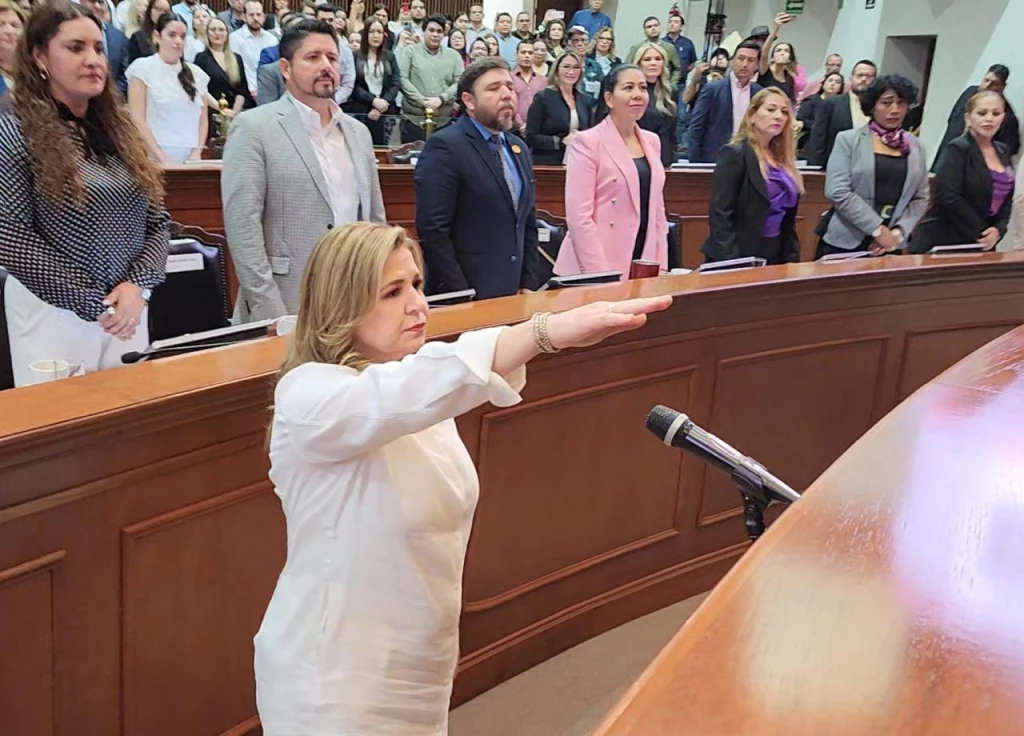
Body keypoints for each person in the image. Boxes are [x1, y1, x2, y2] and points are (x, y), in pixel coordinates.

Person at [255, 218, 672, 736]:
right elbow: (401, 394)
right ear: (342, 305)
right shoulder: (309, 395)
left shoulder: (416, 388)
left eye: (417, 285)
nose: (417, 305)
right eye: (392, 291)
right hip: (334, 679)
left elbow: (426, 394)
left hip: (417, 665)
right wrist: (542, 333)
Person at [0, 0, 169, 385]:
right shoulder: (12, 129)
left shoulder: (120, 128)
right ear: (40, 57)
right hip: (53, 313)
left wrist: (138, 287)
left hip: (127, 308)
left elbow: (158, 222)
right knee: (63, 435)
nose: (93, 59)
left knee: (130, 426)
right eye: (75, 48)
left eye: (97, 48)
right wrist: (93, 302)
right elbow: (10, 236)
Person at [222, 19, 385, 322]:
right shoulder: (254, 127)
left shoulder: (359, 133)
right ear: (285, 68)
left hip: (354, 297)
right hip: (286, 300)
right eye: (313, 57)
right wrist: (268, 309)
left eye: (332, 58)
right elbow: (243, 227)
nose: (326, 66)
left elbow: (375, 220)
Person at [414, 57, 544, 298]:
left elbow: (527, 221)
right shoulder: (446, 146)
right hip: (467, 294)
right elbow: (433, 231)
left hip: (514, 292)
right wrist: (462, 294)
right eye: (494, 88)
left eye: (509, 87)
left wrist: (529, 282)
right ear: (469, 101)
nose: (507, 94)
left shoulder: (518, 147)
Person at [555, 64, 668, 279]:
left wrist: (660, 264)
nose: (638, 95)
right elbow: (580, 218)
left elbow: (658, 211)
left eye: (643, 88)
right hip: (596, 263)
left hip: (643, 256)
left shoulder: (652, 141)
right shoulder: (587, 142)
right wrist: (600, 276)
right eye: (628, 88)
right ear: (609, 98)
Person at [818, 75, 930, 258]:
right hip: (847, 241)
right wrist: (877, 230)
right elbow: (836, 191)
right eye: (886, 103)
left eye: (901, 103)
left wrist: (898, 233)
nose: (895, 110)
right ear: (872, 107)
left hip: (892, 244)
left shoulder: (916, 146)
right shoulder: (848, 140)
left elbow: (921, 197)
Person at [702, 88, 803, 264]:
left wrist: (791, 257)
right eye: (771, 110)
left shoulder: (783, 159)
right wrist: (733, 262)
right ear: (752, 116)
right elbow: (720, 214)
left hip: (776, 249)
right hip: (738, 252)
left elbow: (788, 218)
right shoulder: (735, 154)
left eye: (784, 112)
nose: (779, 116)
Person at [910, 91, 1015, 253]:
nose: (989, 118)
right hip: (946, 239)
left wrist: (999, 229)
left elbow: (1007, 198)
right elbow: (948, 196)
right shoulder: (958, 148)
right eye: (982, 113)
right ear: (968, 118)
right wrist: (981, 230)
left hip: (984, 242)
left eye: (996, 113)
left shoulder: (1003, 150)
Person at [127, 12, 208, 162]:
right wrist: (160, 156)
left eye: (183, 36)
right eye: (172, 35)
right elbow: (137, 118)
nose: (178, 41)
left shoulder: (197, 74)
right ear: (157, 36)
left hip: (191, 156)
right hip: (154, 154)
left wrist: (197, 153)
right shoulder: (142, 68)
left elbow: (203, 120)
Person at [932, 64, 1021, 171]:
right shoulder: (969, 93)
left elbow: (1010, 148)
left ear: (1003, 86)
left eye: (994, 83)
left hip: (975, 169)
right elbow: (952, 121)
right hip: (947, 156)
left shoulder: (1007, 116)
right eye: (986, 80)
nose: (987, 85)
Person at [687, 41, 762, 163]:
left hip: (748, 160)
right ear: (732, 61)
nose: (745, 64)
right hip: (715, 159)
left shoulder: (759, 93)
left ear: (757, 65)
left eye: (750, 60)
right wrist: (696, 164)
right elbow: (696, 128)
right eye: (741, 58)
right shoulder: (713, 89)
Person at [526, 50, 596, 165]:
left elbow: (591, 132)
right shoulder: (543, 97)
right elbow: (531, 136)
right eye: (566, 67)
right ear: (557, 70)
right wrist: (561, 141)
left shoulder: (585, 100)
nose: (571, 71)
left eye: (576, 67)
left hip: (578, 162)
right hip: (548, 163)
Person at [806, 58, 877, 168]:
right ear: (851, 78)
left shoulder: (879, 107)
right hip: (835, 167)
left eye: (868, 76)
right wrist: (816, 169)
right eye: (860, 75)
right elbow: (818, 140)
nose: (863, 79)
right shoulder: (831, 104)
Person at [344, 17, 400, 145]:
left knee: (382, 151)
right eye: (372, 31)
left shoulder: (390, 56)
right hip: (361, 110)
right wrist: (373, 101)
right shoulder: (355, 56)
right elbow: (353, 84)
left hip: (385, 111)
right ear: (365, 34)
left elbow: (395, 83)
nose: (376, 36)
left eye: (379, 32)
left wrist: (382, 104)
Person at [193, 16, 254, 128]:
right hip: (211, 112)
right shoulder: (201, 58)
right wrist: (223, 110)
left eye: (221, 30)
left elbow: (242, 89)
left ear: (227, 34)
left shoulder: (236, 58)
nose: (217, 33)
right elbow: (201, 90)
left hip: (235, 113)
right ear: (207, 33)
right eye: (213, 29)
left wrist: (234, 112)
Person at [633, 42, 676, 168]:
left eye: (658, 59)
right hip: (638, 158)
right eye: (647, 59)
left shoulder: (670, 92)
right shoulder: (632, 91)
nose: (653, 63)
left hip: (664, 159)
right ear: (639, 63)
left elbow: (672, 132)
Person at [79, 0, 130, 93]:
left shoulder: (118, 36)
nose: (98, 6)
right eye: (92, 2)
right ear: (81, 2)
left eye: (101, 2)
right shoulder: (71, 32)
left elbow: (124, 75)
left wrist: (111, 95)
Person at [230, 0, 278, 99]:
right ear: (244, 17)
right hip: (244, 94)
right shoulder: (234, 38)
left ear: (264, 17)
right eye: (251, 15)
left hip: (269, 92)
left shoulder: (272, 39)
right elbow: (235, 70)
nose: (255, 18)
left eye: (258, 14)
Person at [626, 16, 680, 87]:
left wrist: (672, 84)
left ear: (660, 27)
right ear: (644, 31)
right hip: (640, 85)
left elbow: (677, 68)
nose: (653, 28)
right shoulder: (636, 48)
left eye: (655, 25)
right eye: (649, 27)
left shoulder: (669, 48)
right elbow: (627, 67)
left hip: (662, 86)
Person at [797, 71, 842, 149]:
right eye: (830, 80)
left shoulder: (841, 105)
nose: (833, 84)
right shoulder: (811, 101)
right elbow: (801, 119)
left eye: (837, 82)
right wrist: (820, 127)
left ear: (841, 88)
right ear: (823, 83)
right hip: (809, 139)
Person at [757, 12, 797, 101]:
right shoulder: (765, 71)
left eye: (786, 51)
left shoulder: (789, 78)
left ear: (790, 58)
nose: (782, 53)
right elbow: (763, 54)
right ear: (772, 58)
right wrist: (776, 28)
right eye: (778, 50)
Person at [512, 39, 544, 133]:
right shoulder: (509, 78)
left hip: (538, 132)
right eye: (523, 52)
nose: (527, 56)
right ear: (516, 55)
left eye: (530, 53)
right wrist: (521, 125)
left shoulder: (543, 81)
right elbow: (509, 103)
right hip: (514, 131)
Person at [126, 0, 170, 65]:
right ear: (150, 10)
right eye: (158, 9)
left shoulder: (173, 37)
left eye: (165, 11)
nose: (161, 13)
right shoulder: (138, 37)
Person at [663, 6, 696, 83]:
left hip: (681, 83)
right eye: (670, 22)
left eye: (676, 22)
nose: (672, 24)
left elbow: (692, 62)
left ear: (681, 27)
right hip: (663, 82)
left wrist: (684, 71)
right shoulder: (661, 42)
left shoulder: (687, 43)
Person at [566, 25, 601, 97]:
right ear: (570, 43)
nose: (580, 44)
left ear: (588, 43)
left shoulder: (595, 66)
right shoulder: (564, 65)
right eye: (576, 40)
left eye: (583, 40)